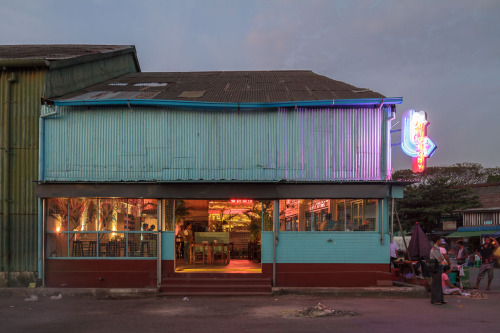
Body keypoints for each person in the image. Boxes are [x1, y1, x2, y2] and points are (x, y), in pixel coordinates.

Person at [429, 236, 447, 305]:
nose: (441, 241)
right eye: (440, 240)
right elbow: (440, 259)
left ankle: (439, 299)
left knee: (438, 283)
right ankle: (436, 299)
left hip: (437, 266)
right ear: (437, 241)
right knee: (436, 283)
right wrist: (442, 257)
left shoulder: (436, 248)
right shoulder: (434, 249)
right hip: (435, 267)